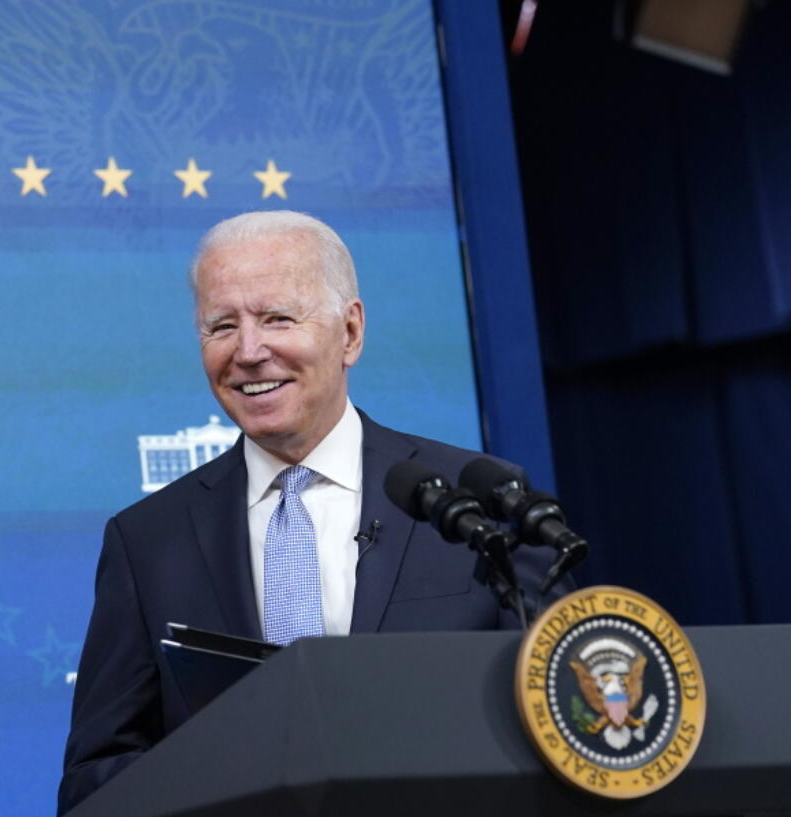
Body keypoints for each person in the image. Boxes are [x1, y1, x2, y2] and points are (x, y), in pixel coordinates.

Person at [59, 211, 559, 814]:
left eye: (277, 319)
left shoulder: (475, 507)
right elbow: (95, 776)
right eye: (221, 326)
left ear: (349, 333)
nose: (248, 351)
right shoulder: (147, 541)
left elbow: (561, 727)